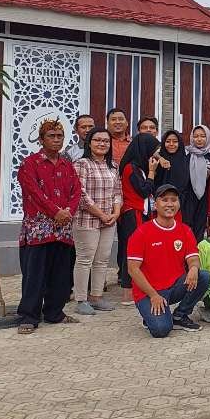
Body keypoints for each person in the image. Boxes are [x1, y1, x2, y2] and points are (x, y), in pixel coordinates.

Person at [16, 119, 82, 334]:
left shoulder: (67, 164)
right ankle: (29, 315)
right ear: (42, 139)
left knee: (61, 273)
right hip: (38, 229)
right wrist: (56, 212)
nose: (56, 140)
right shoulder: (30, 164)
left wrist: (69, 212)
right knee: (35, 274)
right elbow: (35, 193)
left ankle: (55, 312)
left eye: (59, 136)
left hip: (62, 228)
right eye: (51, 136)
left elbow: (76, 192)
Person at [126, 183, 208, 337]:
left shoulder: (185, 230)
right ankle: (149, 316)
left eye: (174, 200)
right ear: (155, 204)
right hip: (148, 291)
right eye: (164, 200)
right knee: (161, 330)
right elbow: (133, 269)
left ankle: (180, 315)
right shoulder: (142, 232)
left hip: (174, 286)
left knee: (203, 276)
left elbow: (193, 257)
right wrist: (153, 295)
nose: (170, 204)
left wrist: (193, 268)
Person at [71, 127, 121, 315]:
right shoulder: (81, 164)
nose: (102, 144)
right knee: (85, 259)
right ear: (89, 143)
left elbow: (118, 192)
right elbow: (80, 195)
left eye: (106, 141)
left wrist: (115, 213)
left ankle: (97, 296)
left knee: (102, 260)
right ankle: (81, 299)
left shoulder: (113, 166)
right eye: (97, 140)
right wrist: (101, 213)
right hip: (87, 220)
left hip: (109, 221)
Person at [117, 132, 164, 306]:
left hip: (142, 212)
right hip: (132, 213)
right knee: (131, 251)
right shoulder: (130, 168)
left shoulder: (139, 167)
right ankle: (127, 291)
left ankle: (139, 286)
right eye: (153, 151)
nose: (154, 155)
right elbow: (143, 191)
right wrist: (152, 173)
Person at [183, 125, 210, 239]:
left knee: (200, 227)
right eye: (196, 136)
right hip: (189, 196)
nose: (199, 139)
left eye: (202, 136)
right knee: (187, 225)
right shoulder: (186, 153)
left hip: (204, 196)